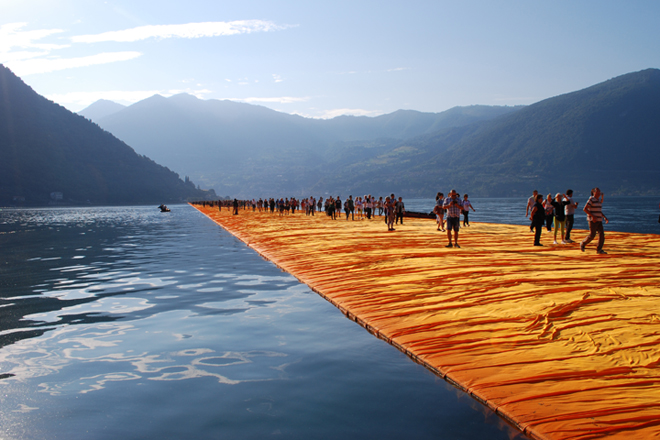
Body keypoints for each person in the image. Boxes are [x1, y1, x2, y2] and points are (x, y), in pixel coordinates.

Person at [581, 187, 608, 254]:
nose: (599, 193)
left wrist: (604, 217)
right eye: (598, 192)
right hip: (592, 220)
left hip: (599, 220)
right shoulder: (591, 199)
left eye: (600, 192)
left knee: (601, 234)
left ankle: (599, 249)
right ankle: (583, 243)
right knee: (592, 235)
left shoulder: (598, 201)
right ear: (594, 192)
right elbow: (585, 209)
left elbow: (599, 211)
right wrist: (593, 216)